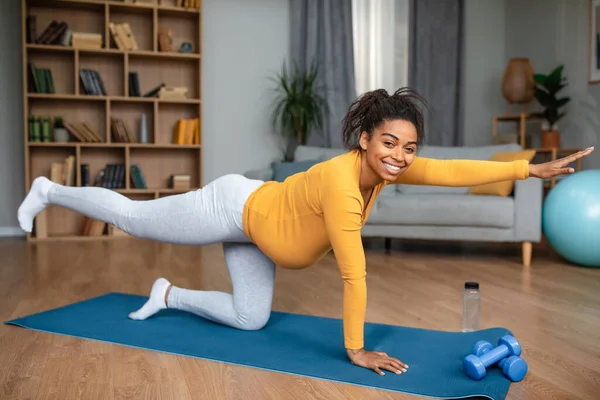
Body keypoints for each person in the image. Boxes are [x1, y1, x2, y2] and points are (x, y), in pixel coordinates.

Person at [17, 87, 593, 377]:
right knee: (138, 219)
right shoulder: (343, 184)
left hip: (261, 236)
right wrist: (356, 349)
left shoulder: (388, 168)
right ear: (364, 138)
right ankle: (49, 191)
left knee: (251, 319)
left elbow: (451, 169)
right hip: (234, 208)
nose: (401, 157)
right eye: (389, 143)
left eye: (408, 147)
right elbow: (353, 272)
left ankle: (167, 294)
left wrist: (527, 167)